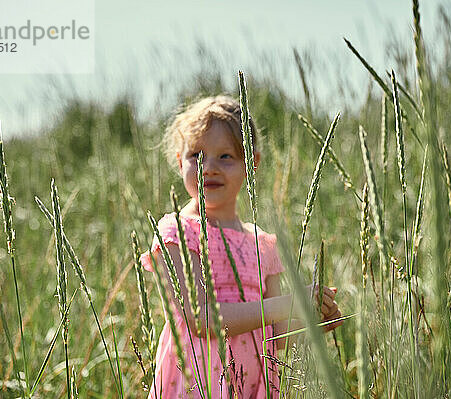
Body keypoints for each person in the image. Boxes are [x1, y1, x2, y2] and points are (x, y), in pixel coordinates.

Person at [140, 95, 342, 398]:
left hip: (252, 383)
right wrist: (288, 303)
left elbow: (274, 331)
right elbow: (200, 319)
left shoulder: (263, 244)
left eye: (225, 156)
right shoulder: (179, 233)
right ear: (180, 161)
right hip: (196, 382)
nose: (209, 168)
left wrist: (311, 320)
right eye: (197, 155)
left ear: (251, 163)